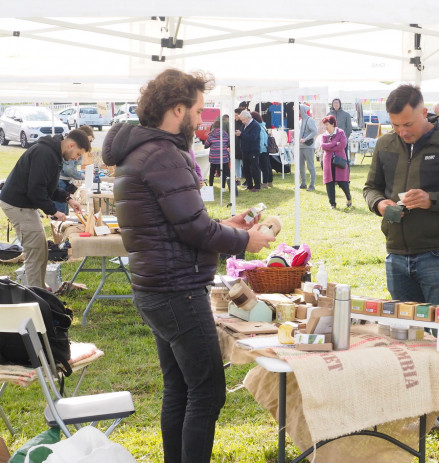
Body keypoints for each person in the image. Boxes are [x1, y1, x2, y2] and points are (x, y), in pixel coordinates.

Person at [102, 69, 275, 463]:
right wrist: (246, 239)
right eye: (198, 109)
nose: (202, 117)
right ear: (177, 109)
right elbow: (192, 227)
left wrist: (226, 227)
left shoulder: (142, 151)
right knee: (206, 391)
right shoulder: (163, 153)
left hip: (157, 286)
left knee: (179, 387)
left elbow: (180, 223)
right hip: (175, 289)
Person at [363, 84, 439, 451]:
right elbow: (370, 188)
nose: (403, 131)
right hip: (396, 255)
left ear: (424, 111)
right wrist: (381, 205)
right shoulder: (385, 145)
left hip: (438, 256)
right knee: (411, 336)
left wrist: (432, 200)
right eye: (396, 125)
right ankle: (430, 412)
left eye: (408, 124)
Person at [0, 130, 88, 288]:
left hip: (24, 204)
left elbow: (49, 189)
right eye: (78, 153)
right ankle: (36, 298)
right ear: (71, 145)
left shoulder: (53, 153)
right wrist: (54, 211)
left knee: (41, 250)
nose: (77, 158)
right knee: (35, 252)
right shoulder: (45, 153)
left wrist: (68, 198)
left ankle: (40, 290)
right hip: (17, 205)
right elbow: (36, 190)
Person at [55, 125, 94, 214]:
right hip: (61, 182)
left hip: (63, 183)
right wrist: (80, 175)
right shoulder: (70, 151)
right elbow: (68, 169)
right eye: (89, 140)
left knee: (64, 211)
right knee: (61, 213)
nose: (76, 158)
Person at [320, 115, 352, 209]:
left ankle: (348, 198)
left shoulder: (341, 132)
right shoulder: (324, 135)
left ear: (333, 124)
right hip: (328, 161)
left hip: (339, 160)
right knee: (329, 182)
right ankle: (332, 203)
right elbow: (323, 146)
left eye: (327, 124)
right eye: (325, 125)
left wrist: (329, 146)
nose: (325, 126)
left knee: (343, 182)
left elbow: (342, 145)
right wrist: (334, 143)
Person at [204, 118, 231, 190]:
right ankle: (223, 188)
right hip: (224, 157)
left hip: (214, 157)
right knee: (224, 172)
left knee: (212, 172)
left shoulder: (211, 134)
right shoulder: (225, 134)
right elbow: (229, 143)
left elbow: (206, 145)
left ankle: (210, 187)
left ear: (214, 126)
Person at [239, 109, 262, 191]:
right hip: (245, 150)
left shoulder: (255, 125)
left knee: (254, 168)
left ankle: (257, 186)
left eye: (243, 120)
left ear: (248, 117)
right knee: (246, 169)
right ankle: (249, 186)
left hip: (253, 150)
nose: (242, 122)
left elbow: (253, 138)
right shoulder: (243, 126)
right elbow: (243, 136)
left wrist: (241, 134)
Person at [328, 98, 353, 164]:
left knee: (343, 159)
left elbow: (349, 128)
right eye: (334, 103)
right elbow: (327, 128)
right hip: (332, 141)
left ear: (340, 104)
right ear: (332, 104)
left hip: (342, 141)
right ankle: (334, 174)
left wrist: (344, 139)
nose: (336, 104)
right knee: (332, 160)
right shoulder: (329, 115)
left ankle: (346, 173)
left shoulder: (346, 115)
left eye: (337, 103)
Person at [299, 104, 318, 191]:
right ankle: (303, 183)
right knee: (300, 166)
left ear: (301, 110)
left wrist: (305, 139)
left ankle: (312, 185)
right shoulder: (300, 121)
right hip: (300, 146)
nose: (296, 112)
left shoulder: (309, 120)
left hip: (308, 146)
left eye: (298, 110)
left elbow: (315, 131)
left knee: (310, 166)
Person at [252, 111, 273, 189]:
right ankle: (269, 182)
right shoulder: (263, 126)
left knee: (264, 167)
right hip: (265, 149)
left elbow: (261, 139)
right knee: (267, 166)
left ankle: (265, 183)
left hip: (262, 149)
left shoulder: (258, 127)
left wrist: (259, 150)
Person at [233, 108, 244, 183]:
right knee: (236, 163)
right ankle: (238, 179)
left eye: (236, 115)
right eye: (234, 115)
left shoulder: (244, 123)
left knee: (245, 164)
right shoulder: (234, 123)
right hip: (236, 145)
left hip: (242, 145)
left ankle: (247, 178)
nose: (235, 117)